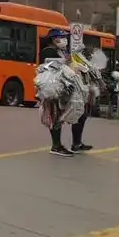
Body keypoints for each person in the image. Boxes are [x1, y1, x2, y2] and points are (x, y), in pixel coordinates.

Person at [40, 27, 89, 157]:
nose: (64, 40)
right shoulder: (47, 51)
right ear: (53, 39)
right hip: (53, 88)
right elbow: (50, 66)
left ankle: (76, 143)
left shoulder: (63, 51)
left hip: (67, 87)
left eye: (65, 37)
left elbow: (70, 65)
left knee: (80, 112)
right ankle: (56, 146)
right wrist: (67, 62)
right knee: (55, 115)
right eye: (60, 38)